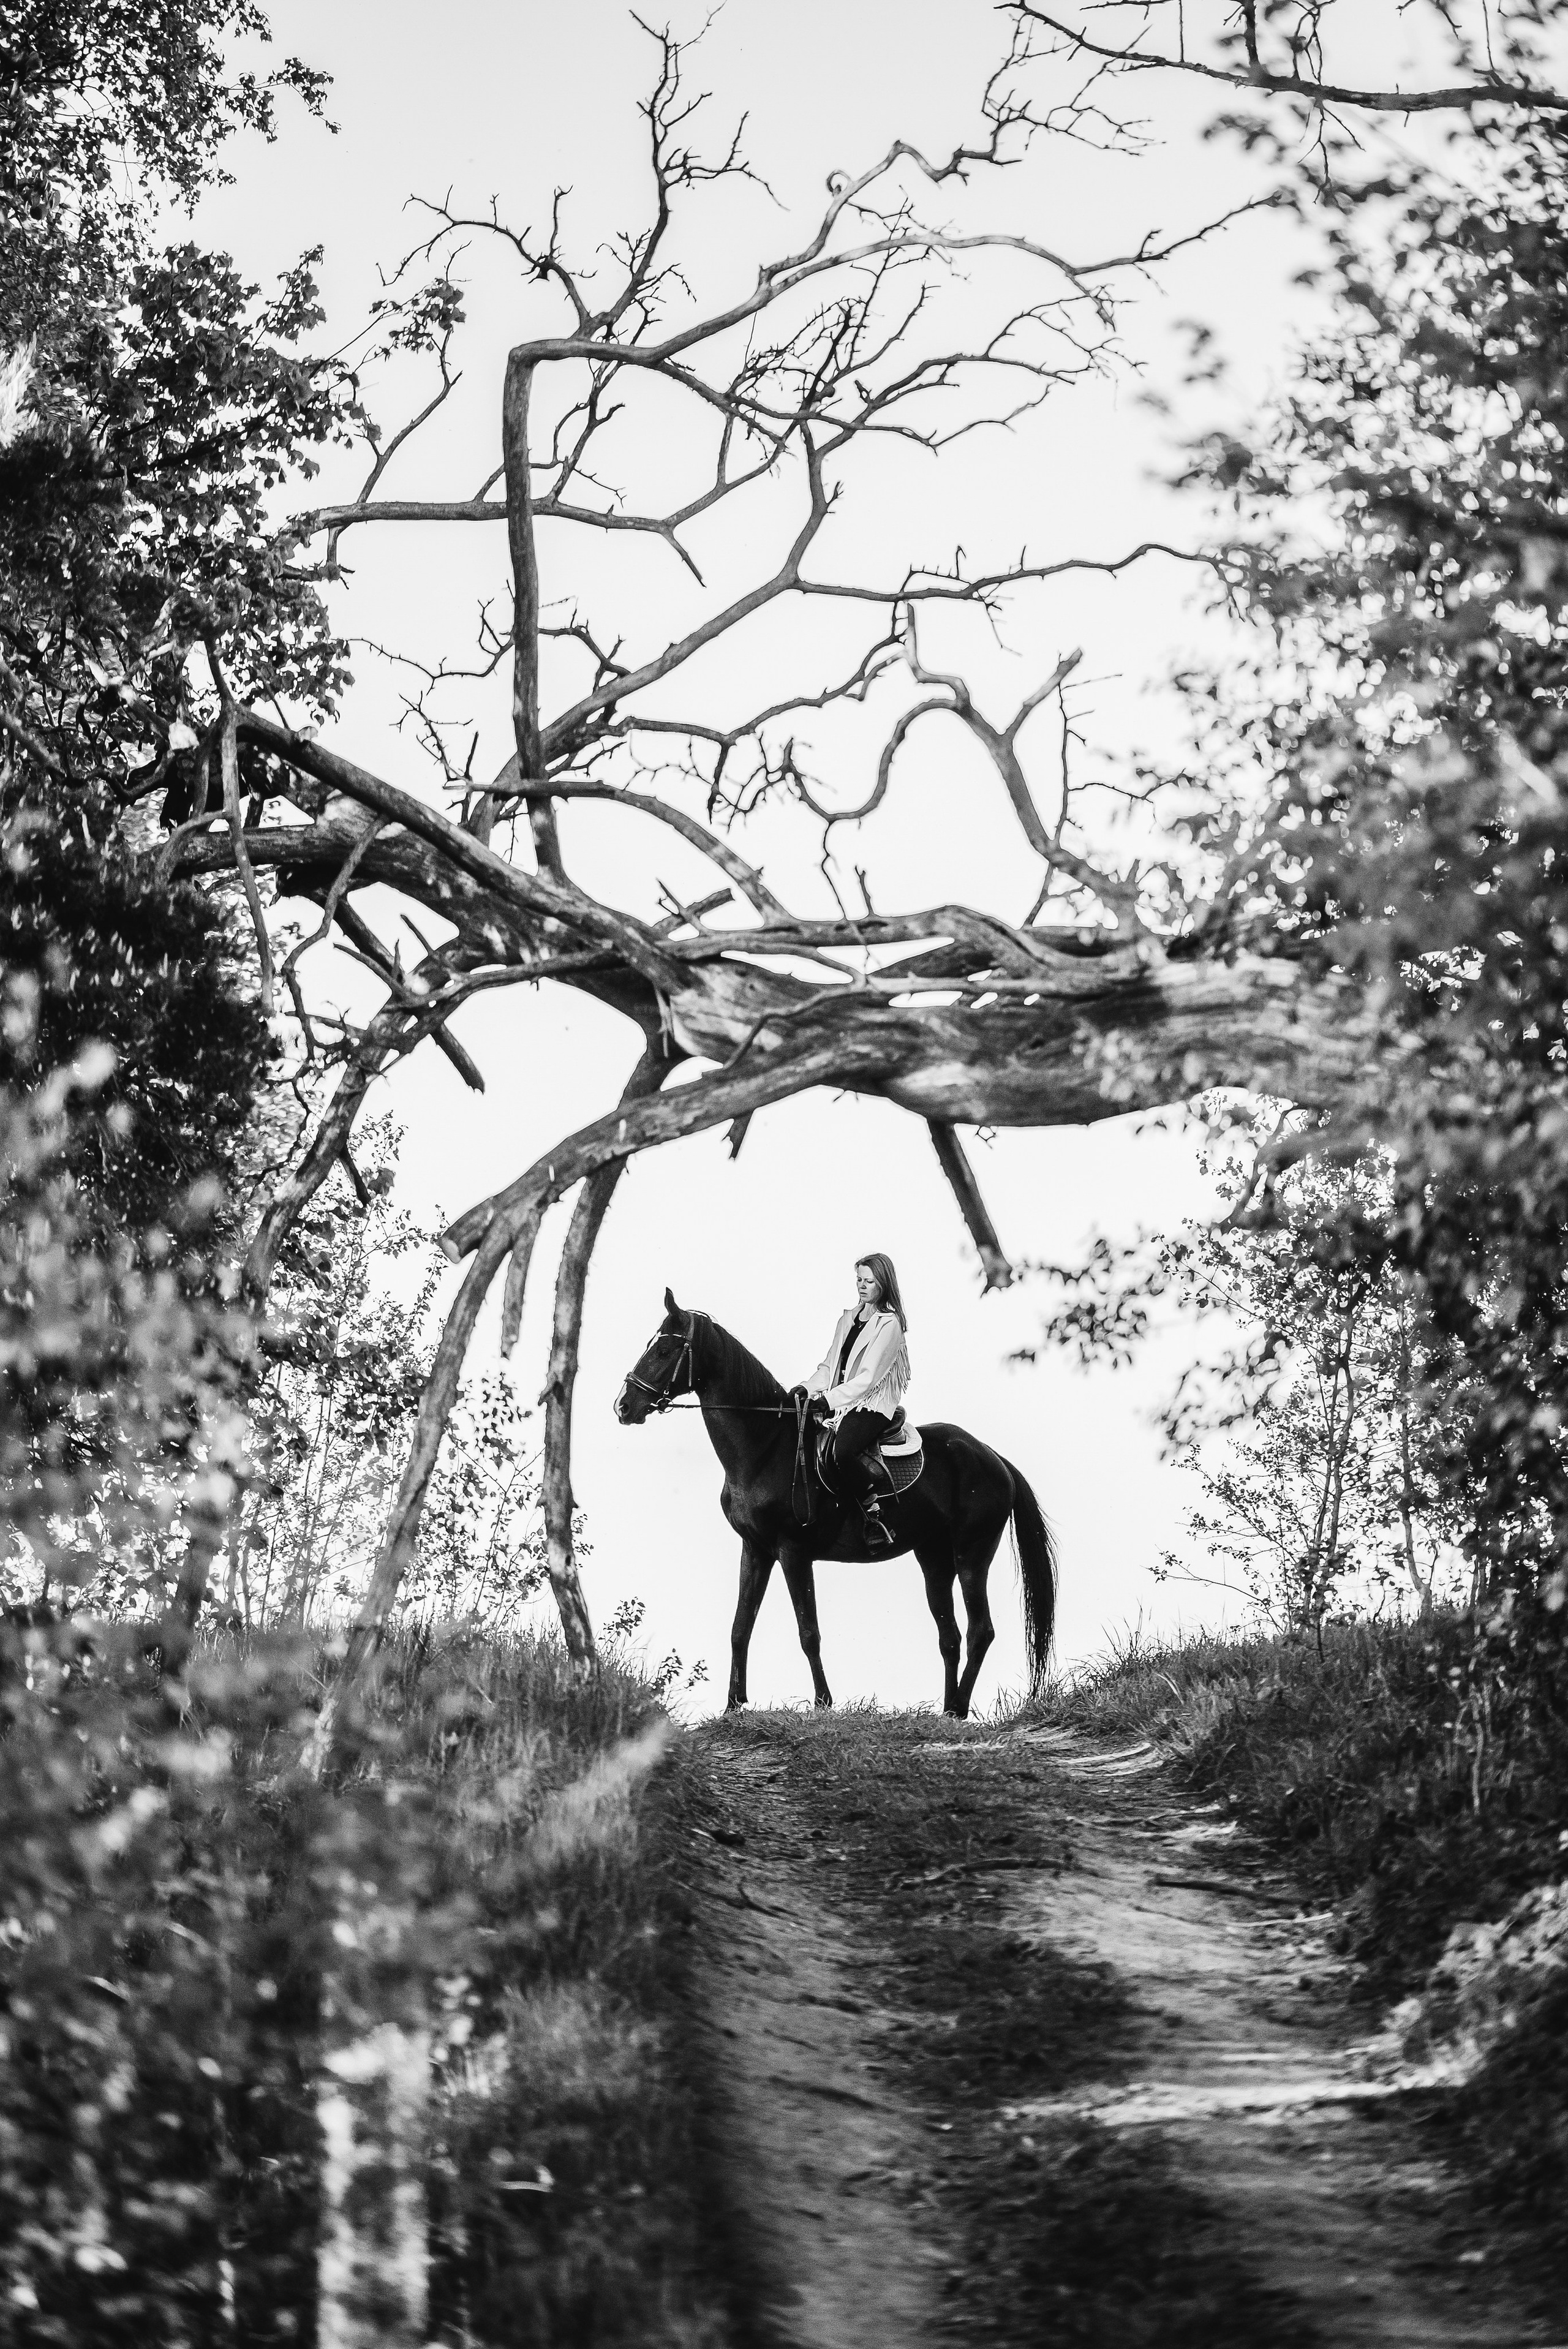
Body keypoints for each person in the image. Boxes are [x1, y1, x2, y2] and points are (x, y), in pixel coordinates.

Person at [794, 1253, 910, 1547]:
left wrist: (829, 1401)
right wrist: (807, 1389)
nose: (862, 1286)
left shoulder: (889, 1324)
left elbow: (868, 1378)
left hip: (871, 1403)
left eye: (869, 1281)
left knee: (843, 1451)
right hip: (843, 1401)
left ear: (883, 1283)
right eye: (859, 1279)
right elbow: (830, 1367)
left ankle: (873, 1512)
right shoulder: (847, 1318)